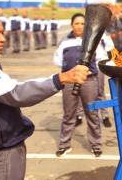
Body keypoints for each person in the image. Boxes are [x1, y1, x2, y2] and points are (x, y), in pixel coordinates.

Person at [0, 12, 90, 180]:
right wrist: (61, 78)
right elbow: (17, 93)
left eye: (3, 33)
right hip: (0, 155)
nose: (3, 39)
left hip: (2, 150)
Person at [53, 13, 102, 157]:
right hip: (69, 81)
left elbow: (100, 59)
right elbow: (57, 60)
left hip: (89, 81)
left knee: (92, 113)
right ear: (71, 25)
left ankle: (96, 144)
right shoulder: (65, 42)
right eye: (76, 23)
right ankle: (64, 144)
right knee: (69, 114)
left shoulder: (93, 40)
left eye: (82, 23)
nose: (79, 26)